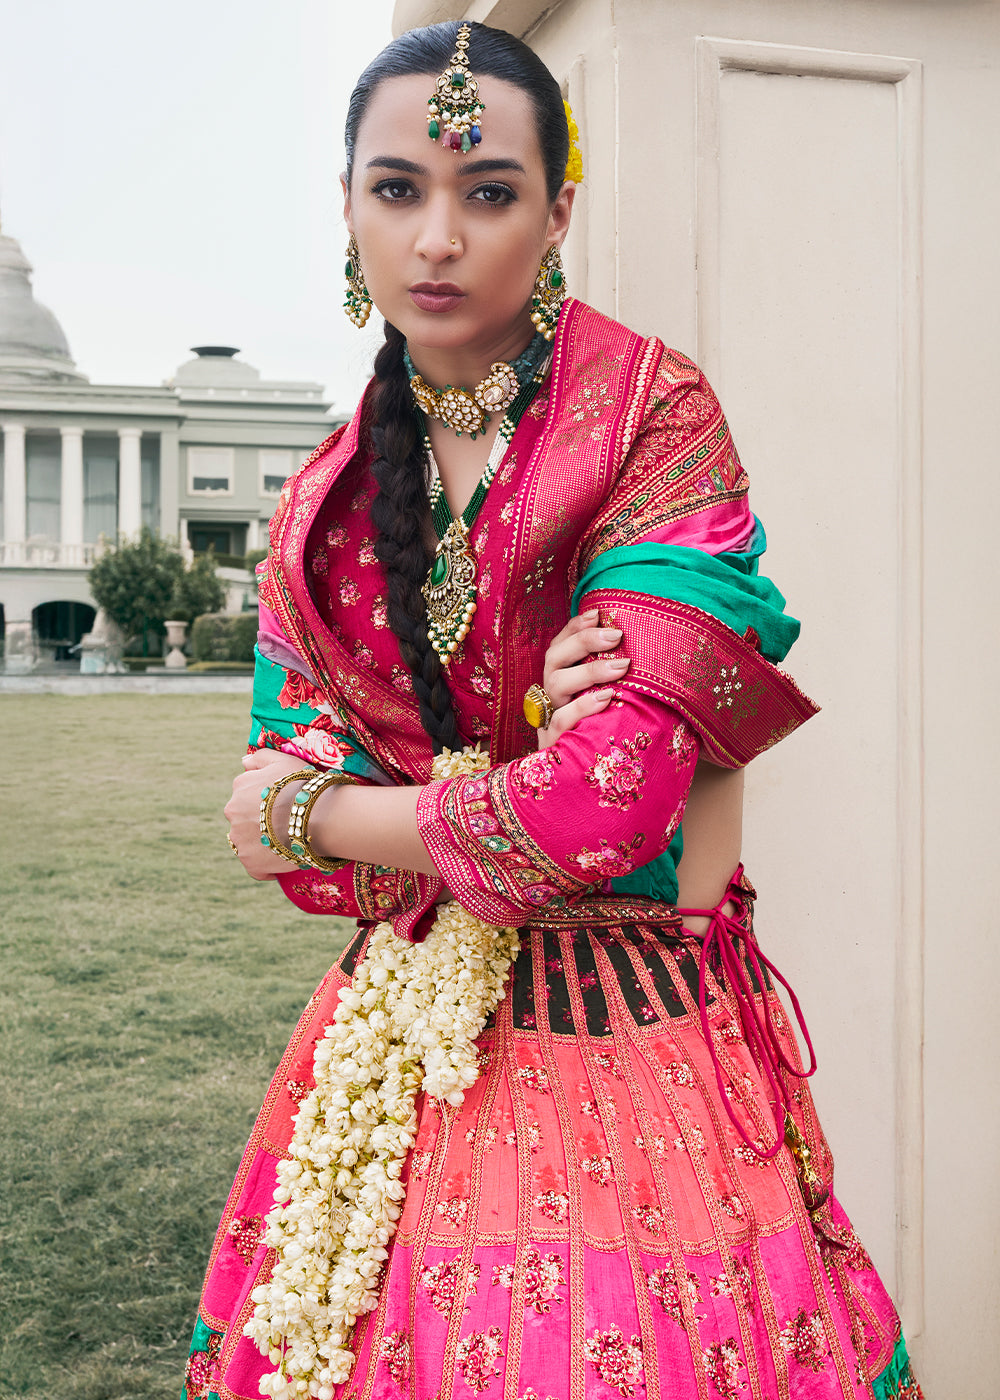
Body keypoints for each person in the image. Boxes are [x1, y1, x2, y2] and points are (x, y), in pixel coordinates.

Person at [183, 21, 922, 1400]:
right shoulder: (322, 505)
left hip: (636, 1022)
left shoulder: (652, 418)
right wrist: (506, 761)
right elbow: (304, 876)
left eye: (489, 189)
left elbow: (608, 810)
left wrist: (318, 799)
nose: (439, 238)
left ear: (558, 209)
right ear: (346, 208)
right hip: (398, 1043)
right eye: (397, 188)